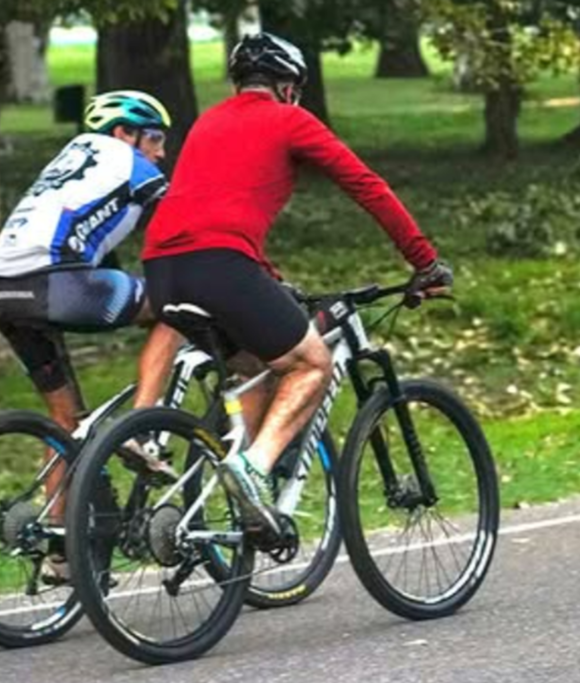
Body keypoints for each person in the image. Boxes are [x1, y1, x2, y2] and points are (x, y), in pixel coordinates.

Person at [142, 33, 453, 532]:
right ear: (288, 86)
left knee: (253, 365)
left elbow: (212, 209)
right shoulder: (289, 119)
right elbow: (367, 186)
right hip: (222, 266)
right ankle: (253, 466)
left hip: (161, 270)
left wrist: (266, 278)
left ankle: (231, 513)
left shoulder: (208, 121)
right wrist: (424, 261)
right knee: (312, 363)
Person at [0, 90, 186, 575]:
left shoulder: (71, 157)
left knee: (66, 424)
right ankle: (143, 428)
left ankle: (60, 550)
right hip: (60, 282)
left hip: (3, 290)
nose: (160, 152)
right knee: (174, 310)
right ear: (123, 134)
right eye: (154, 138)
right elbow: (189, 226)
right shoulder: (133, 166)